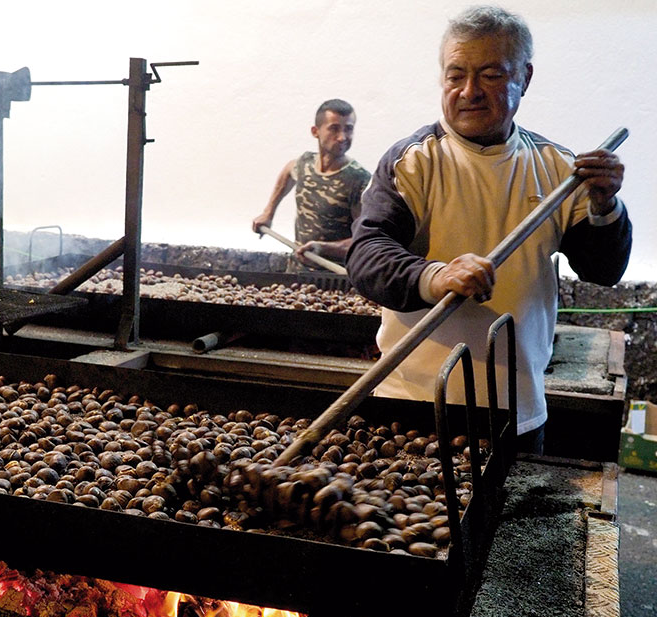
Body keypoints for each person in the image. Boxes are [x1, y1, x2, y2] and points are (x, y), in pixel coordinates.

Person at [346, 5, 631, 454]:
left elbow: (603, 269)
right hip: (415, 403)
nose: (469, 91)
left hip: (515, 408)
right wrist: (434, 276)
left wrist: (604, 204)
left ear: (525, 77)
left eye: (491, 75)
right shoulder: (415, 161)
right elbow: (367, 256)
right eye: (455, 75)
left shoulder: (558, 168)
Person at [252, 99, 371, 271]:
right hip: (296, 272)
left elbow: (364, 241)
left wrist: (323, 248)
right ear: (315, 131)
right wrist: (268, 213)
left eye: (349, 129)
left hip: (333, 280)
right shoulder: (304, 164)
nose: (342, 137)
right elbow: (288, 171)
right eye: (334, 128)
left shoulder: (359, 180)